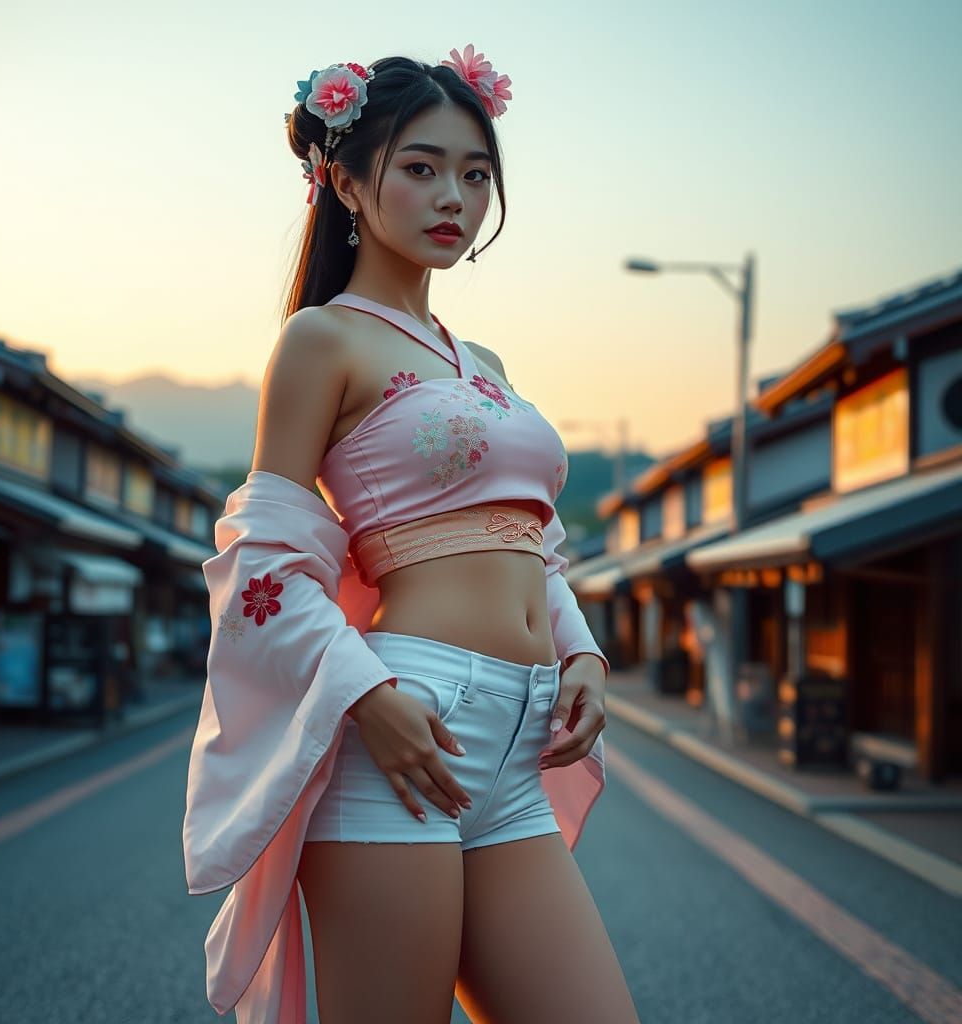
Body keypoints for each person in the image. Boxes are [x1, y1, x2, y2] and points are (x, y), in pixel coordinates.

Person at [184, 46, 642, 1024]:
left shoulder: (485, 363)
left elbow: (532, 544)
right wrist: (367, 696)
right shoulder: (323, 340)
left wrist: (583, 653)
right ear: (347, 182)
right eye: (422, 167)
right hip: (404, 723)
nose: (454, 197)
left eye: (475, 175)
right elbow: (265, 559)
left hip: (518, 744)